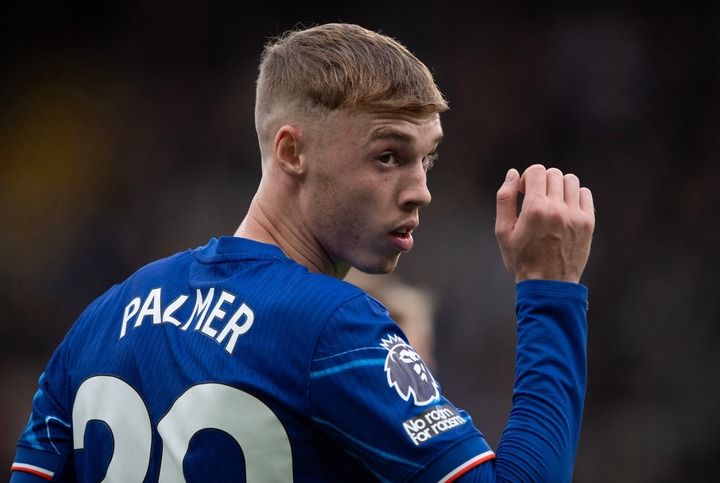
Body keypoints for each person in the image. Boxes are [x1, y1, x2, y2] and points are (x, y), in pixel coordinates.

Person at [10, 22, 595, 482]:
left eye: (427, 158)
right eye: (388, 156)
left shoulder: (100, 321)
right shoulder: (333, 326)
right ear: (291, 151)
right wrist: (551, 290)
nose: (421, 189)